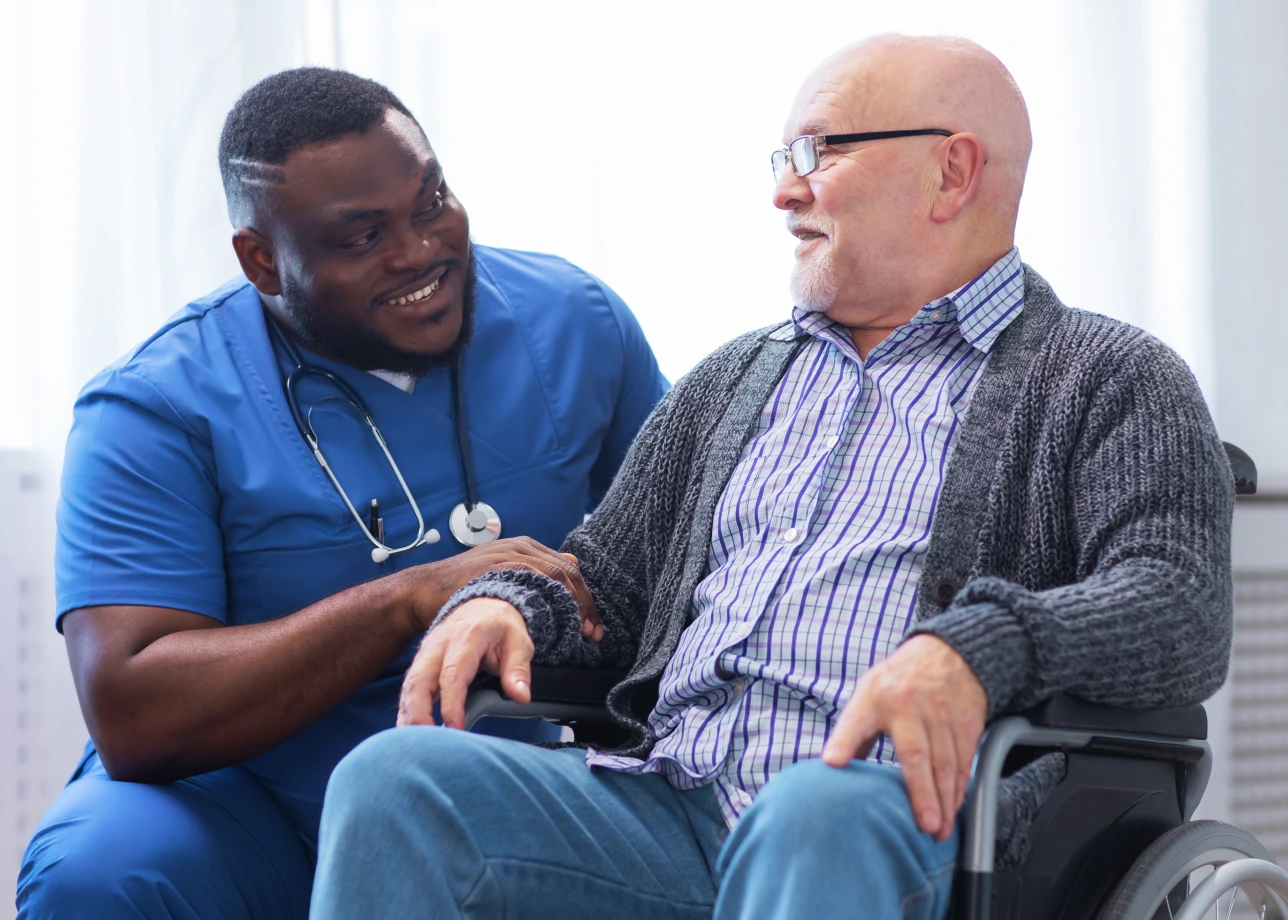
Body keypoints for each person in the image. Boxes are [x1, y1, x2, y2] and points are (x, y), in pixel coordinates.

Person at [309, 34, 1235, 920]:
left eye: (819, 150)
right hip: (668, 803)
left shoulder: (1112, 376)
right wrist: (510, 603)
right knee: (394, 781)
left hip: (904, 820)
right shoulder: (733, 379)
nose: (785, 192)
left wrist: (976, 648)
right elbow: (609, 580)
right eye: (782, 157)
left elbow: (1179, 604)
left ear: (951, 172)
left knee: (812, 813)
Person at [16, 68, 666, 919]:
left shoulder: (575, 322)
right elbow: (135, 712)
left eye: (431, 201)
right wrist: (410, 598)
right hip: (250, 802)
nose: (420, 252)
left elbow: (690, 560)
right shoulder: (154, 406)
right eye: (361, 238)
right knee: (101, 874)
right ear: (261, 261)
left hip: (511, 773)